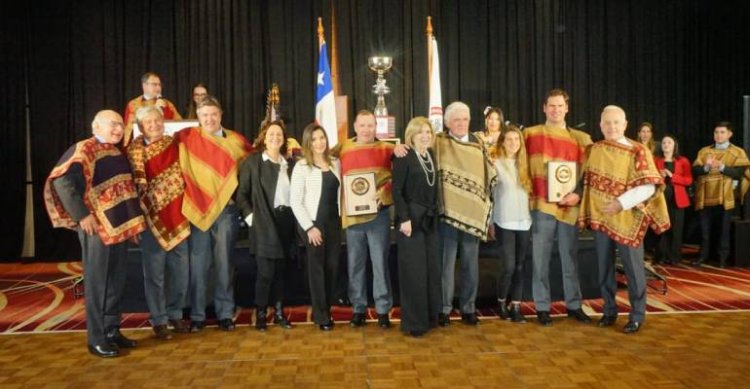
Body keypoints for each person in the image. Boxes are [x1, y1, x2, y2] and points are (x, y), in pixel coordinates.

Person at [44, 110, 146, 357]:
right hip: (96, 228)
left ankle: (112, 331)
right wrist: (81, 215)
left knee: (116, 282)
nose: (118, 129)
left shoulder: (115, 152)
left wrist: (131, 226)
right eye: (112, 125)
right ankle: (96, 338)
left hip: (120, 229)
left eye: (121, 125)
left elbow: (124, 190)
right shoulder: (83, 149)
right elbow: (61, 181)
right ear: (96, 126)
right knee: (98, 283)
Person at [578, 105, 670, 334]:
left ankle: (637, 315)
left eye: (616, 122)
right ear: (600, 125)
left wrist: (621, 203)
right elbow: (586, 181)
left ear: (625, 124)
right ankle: (609, 311)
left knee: (633, 269)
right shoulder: (594, 150)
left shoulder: (638, 151)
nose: (611, 127)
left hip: (628, 219)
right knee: (604, 268)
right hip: (601, 218)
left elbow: (649, 186)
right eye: (607, 123)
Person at [175, 96, 251, 332]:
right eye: (204, 115)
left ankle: (225, 313)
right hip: (198, 210)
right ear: (198, 117)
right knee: (199, 265)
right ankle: (198, 315)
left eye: (213, 114)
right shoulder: (186, 138)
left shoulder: (236, 141)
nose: (209, 119)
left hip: (226, 212)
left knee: (224, 264)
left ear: (221, 115)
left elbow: (251, 165)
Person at [524, 88, 592, 326]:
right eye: (551, 106)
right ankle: (542, 307)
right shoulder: (530, 135)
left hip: (569, 208)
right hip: (542, 206)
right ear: (544, 108)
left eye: (559, 106)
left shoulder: (582, 139)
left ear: (567, 108)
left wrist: (578, 195)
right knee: (540, 260)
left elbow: (589, 175)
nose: (555, 110)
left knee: (570, 259)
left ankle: (574, 304)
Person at [126, 106, 191, 340]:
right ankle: (159, 319)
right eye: (149, 122)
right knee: (154, 274)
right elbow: (132, 190)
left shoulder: (174, 145)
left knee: (181, 273)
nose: (154, 125)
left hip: (178, 217)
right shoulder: (133, 152)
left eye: (157, 120)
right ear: (141, 126)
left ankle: (175, 314)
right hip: (151, 220)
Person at [432, 102, 496, 326]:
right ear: (448, 122)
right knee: (445, 265)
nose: (461, 124)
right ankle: (444, 308)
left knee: (471, 264)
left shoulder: (478, 144)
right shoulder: (438, 142)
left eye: (465, 119)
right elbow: (417, 147)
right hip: (447, 214)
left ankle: (469, 308)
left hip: (472, 215)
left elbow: (488, 177)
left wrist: (488, 215)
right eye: (456, 120)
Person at [336, 110, 395, 329]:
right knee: (355, 264)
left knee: (380, 264)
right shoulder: (342, 149)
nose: (367, 129)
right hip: (353, 218)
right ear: (355, 126)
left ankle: (382, 311)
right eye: (362, 125)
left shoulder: (388, 149)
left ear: (376, 126)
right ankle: (358, 309)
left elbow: (398, 177)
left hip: (378, 216)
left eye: (370, 125)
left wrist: (385, 192)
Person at [237, 120, 296, 331]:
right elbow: (241, 194)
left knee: (281, 271)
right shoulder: (253, 163)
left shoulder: (290, 164)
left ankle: (279, 312)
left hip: (286, 223)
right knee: (265, 272)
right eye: (271, 134)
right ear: (264, 136)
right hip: (262, 223)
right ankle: (261, 313)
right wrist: (251, 218)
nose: (275, 138)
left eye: (279, 134)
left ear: (284, 138)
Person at [392, 117, 441, 337]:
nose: (425, 136)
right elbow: (397, 191)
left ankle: (429, 317)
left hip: (429, 220)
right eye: (420, 132)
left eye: (428, 132)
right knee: (414, 272)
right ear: (411, 134)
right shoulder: (404, 156)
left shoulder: (429, 155)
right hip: (410, 220)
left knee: (430, 269)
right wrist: (404, 219)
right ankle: (414, 322)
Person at [290, 123, 341, 331]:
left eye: (322, 138)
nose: (319, 142)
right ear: (308, 143)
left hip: (333, 223)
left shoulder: (336, 162)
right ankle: (321, 316)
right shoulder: (302, 167)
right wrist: (310, 228)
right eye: (314, 139)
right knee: (317, 270)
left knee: (332, 267)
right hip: (313, 223)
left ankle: (327, 308)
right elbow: (295, 201)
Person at [692, 122, 750, 267]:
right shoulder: (704, 151)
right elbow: (694, 171)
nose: (718, 135)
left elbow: (740, 173)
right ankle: (703, 256)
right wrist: (706, 167)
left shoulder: (738, 152)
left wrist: (722, 166)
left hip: (725, 195)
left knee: (723, 229)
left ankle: (723, 258)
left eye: (722, 132)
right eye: (716, 132)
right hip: (705, 195)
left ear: (729, 134)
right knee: (705, 229)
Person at [490, 125, 531, 323]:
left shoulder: (526, 165)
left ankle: (516, 305)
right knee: (508, 265)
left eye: (517, 139)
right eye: (509, 139)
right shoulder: (495, 164)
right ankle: (500, 302)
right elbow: (489, 196)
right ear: (502, 142)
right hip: (504, 220)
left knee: (520, 266)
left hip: (524, 221)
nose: (513, 143)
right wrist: (489, 222)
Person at [653, 135, 693, 265]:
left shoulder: (683, 161)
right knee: (661, 227)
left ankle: (674, 257)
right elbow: (650, 178)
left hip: (677, 199)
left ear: (674, 145)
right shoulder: (656, 160)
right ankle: (661, 256)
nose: (666, 145)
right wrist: (659, 177)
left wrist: (672, 176)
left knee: (676, 229)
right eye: (664, 142)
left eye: (669, 142)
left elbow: (688, 180)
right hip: (661, 198)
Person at [123, 72, 182, 146]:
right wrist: (155, 109)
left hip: (166, 142)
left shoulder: (167, 104)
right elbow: (132, 126)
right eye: (154, 84)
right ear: (144, 86)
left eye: (159, 85)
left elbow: (179, 123)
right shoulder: (134, 104)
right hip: (143, 144)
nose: (158, 88)